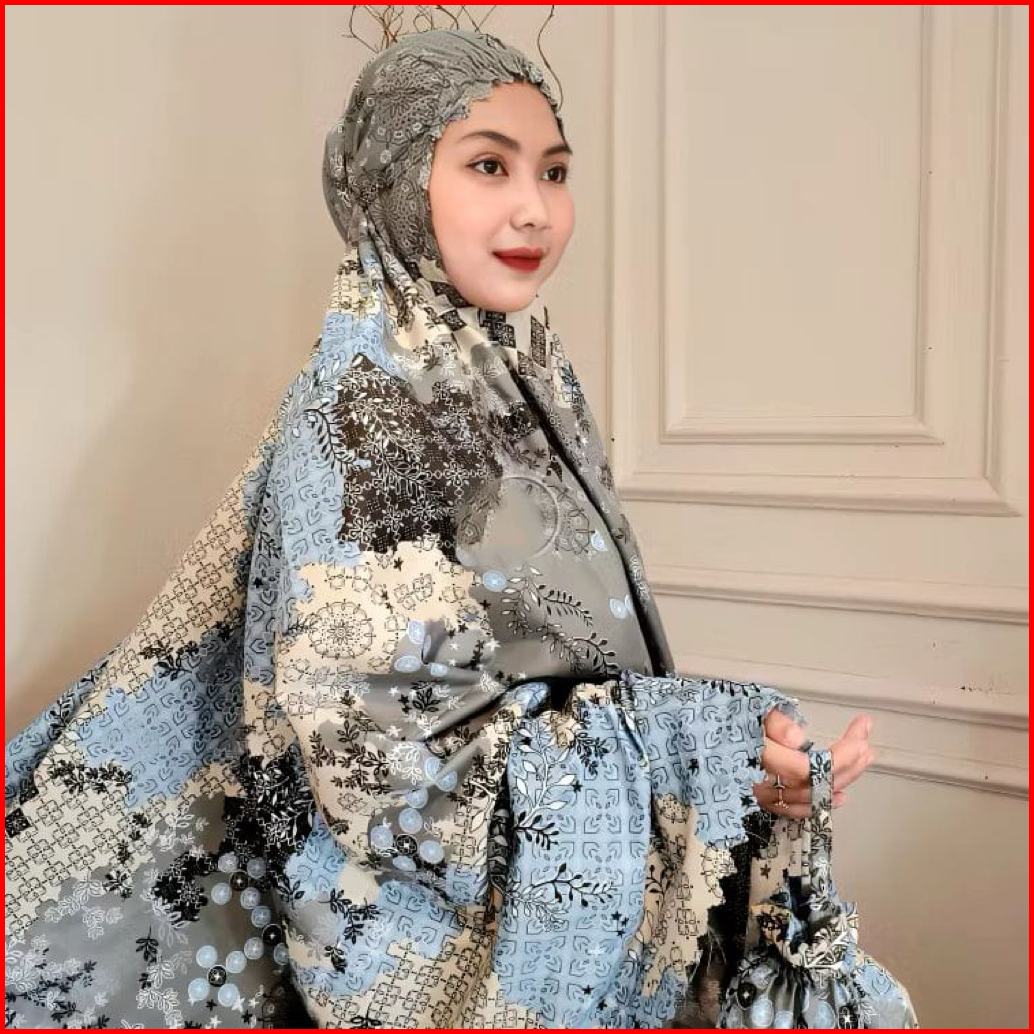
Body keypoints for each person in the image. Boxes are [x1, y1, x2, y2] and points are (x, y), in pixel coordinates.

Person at [5, 29, 873, 1029]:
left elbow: (584, 668)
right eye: (488, 165)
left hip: (569, 906)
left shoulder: (521, 377)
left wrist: (746, 775)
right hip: (426, 941)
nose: (535, 206)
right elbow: (387, 760)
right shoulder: (359, 406)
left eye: (554, 170)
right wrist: (699, 748)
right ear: (396, 180)